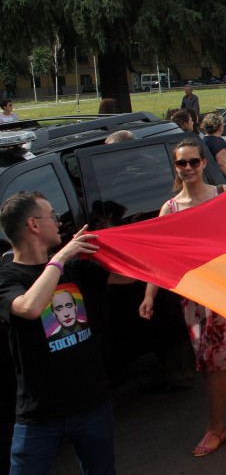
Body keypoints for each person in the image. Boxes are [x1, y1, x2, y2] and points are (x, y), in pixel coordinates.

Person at [140, 138, 226, 457]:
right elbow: (158, 257)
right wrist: (149, 296)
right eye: (181, 163)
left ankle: (217, 429)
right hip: (195, 300)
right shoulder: (170, 209)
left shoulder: (223, 195)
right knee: (215, 360)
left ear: (203, 164)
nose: (187, 168)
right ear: (175, 167)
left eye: (193, 162)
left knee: (214, 364)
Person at [0, 192, 134, 473]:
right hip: (39, 416)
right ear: (34, 225)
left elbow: (129, 276)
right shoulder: (8, 277)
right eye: (53, 216)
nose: (60, 223)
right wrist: (61, 256)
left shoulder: (75, 268)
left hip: (92, 404)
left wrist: (106, 250)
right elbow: (30, 307)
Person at [201, 114, 226, 186]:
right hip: (224, 182)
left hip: (212, 180)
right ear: (220, 127)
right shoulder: (218, 142)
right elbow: (222, 163)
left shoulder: (203, 140)